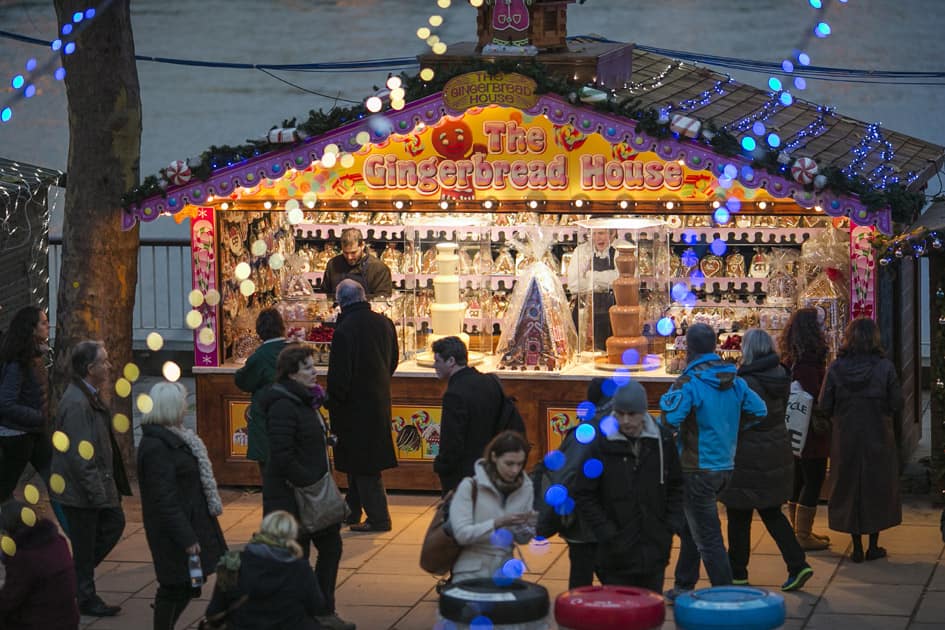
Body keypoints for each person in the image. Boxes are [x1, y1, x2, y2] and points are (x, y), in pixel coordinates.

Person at [659, 323, 767, 601]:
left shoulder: (689, 383)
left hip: (696, 469)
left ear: (688, 348)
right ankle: (684, 584)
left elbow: (669, 421)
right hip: (725, 467)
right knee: (691, 527)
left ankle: (726, 593)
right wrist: (731, 430)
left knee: (707, 537)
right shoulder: (735, 380)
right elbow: (759, 410)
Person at [261, 343, 353, 630]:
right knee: (300, 556)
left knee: (329, 548)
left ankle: (320, 610)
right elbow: (282, 454)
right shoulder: (284, 405)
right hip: (294, 497)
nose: (315, 372)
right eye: (308, 368)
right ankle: (311, 613)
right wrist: (310, 483)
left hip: (310, 492)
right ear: (292, 374)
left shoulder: (307, 400)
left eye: (314, 366)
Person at [718, 329, 813, 591]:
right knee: (772, 512)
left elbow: (734, 419)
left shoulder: (743, 382)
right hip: (775, 450)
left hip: (746, 455)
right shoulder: (782, 375)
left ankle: (738, 574)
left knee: (738, 516)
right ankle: (798, 564)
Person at [572, 380, 684, 593]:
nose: (626, 421)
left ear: (643, 412)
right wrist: (606, 532)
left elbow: (676, 486)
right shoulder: (601, 443)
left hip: (654, 548)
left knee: (650, 613)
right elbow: (584, 493)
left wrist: (670, 525)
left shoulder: (663, 441)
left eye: (632, 414)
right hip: (614, 553)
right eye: (620, 413)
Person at [50, 340, 131, 617]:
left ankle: (71, 582)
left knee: (106, 530)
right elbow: (81, 457)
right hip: (80, 491)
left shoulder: (88, 396)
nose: (108, 366)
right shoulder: (76, 403)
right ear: (89, 368)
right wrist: (99, 495)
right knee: (87, 543)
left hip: (91, 486)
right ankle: (81, 592)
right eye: (103, 362)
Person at [138, 381, 228, 629]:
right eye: (182, 404)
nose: (186, 409)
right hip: (175, 532)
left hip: (192, 522)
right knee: (175, 586)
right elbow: (164, 499)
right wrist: (187, 538)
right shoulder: (158, 447)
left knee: (190, 584)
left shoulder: (176, 438)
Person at [820, 317, 903, 563]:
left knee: (848, 485)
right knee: (876, 486)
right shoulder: (885, 367)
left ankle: (855, 545)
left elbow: (825, 404)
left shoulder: (836, 367)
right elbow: (897, 402)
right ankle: (873, 545)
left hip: (846, 435)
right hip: (877, 433)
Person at [327, 279, 399, 533]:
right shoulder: (384, 323)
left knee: (364, 463)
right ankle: (352, 510)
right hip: (378, 399)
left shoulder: (345, 330)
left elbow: (339, 375)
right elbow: (393, 360)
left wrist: (331, 400)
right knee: (360, 459)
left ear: (342, 303)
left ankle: (379, 518)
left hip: (352, 406)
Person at [204, 511, 324, 630]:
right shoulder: (300, 569)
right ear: (292, 535)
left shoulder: (234, 563)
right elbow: (316, 606)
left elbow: (214, 611)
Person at [449, 431, 536, 584]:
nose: (515, 470)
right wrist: (497, 523)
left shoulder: (526, 487)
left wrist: (529, 527)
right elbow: (462, 534)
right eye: (509, 464)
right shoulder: (470, 486)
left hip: (506, 572)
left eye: (520, 464)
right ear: (494, 457)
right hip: (471, 572)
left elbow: (521, 539)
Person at [779, 307, 832, 550]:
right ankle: (802, 534)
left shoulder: (791, 357)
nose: (824, 328)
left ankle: (798, 530)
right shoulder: (810, 361)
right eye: (820, 324)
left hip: (794, 427)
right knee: (813, 478)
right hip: (811, 429)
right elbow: (816, 396)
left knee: (799, 477)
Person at [431, 335, 509, 496]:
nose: (434, 366)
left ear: (451, 361)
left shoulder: (454, 394)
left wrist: (441, 466)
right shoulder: (490, 382)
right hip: (491, 466)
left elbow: (452, 439)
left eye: (437, 361)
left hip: (464, 474)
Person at [0, 307, 55, 503]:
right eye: (43, 322)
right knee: (5, 489)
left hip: (34, 432)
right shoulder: (18, 362)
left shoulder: (35, 356)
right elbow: (6, 403)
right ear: (31, 329)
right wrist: (38, 416)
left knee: (56, 482)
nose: (48, 326)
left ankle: (75, 528)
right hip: (18, 435)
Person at [0, 499, 79, 629]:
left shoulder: (24, 557)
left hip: (41, 623)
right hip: (68, 619)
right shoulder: (57, 540)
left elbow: (9, 599)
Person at [234, 307, 288, 477]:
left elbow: (243, 380)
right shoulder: (295, 349)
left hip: (266, 419)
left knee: (270, 475)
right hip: (292, 418)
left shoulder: (259, 356)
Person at [567, 229, 618, 350]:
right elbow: (573, 284)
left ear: (612, 233)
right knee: (584, 350)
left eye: (601, 233)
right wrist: (604, 281)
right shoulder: (581, 251)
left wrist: (589, 275)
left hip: (611, 308)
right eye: (594, 234)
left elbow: (619, 279)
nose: (597, 238)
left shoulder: (620, 250)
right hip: (585, 310)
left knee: (610, 350)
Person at [321, 228, 392, 298]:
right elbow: (325, 294)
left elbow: (382, 299)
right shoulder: (333, 264)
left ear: (362, 246)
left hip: (366, 309)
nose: (349, 257)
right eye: (345, 253)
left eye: (353, 253)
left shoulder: (378, 268)